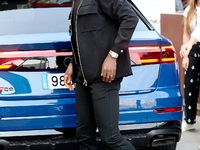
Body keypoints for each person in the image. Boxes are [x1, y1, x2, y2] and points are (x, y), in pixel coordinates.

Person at [64, 0, 138, 149]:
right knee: (84, 136)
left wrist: (113, 55)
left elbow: (130, 17)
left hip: (104, 78)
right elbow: (82, 37)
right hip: (82, 79)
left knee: (111, 137)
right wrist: (73, 63)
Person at [180, 0, 200, 132]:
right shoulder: (189, 9)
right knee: (190, 85)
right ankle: (189, 120)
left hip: (193, 44)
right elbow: (186, 33)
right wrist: (186, 56)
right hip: (193, 50)